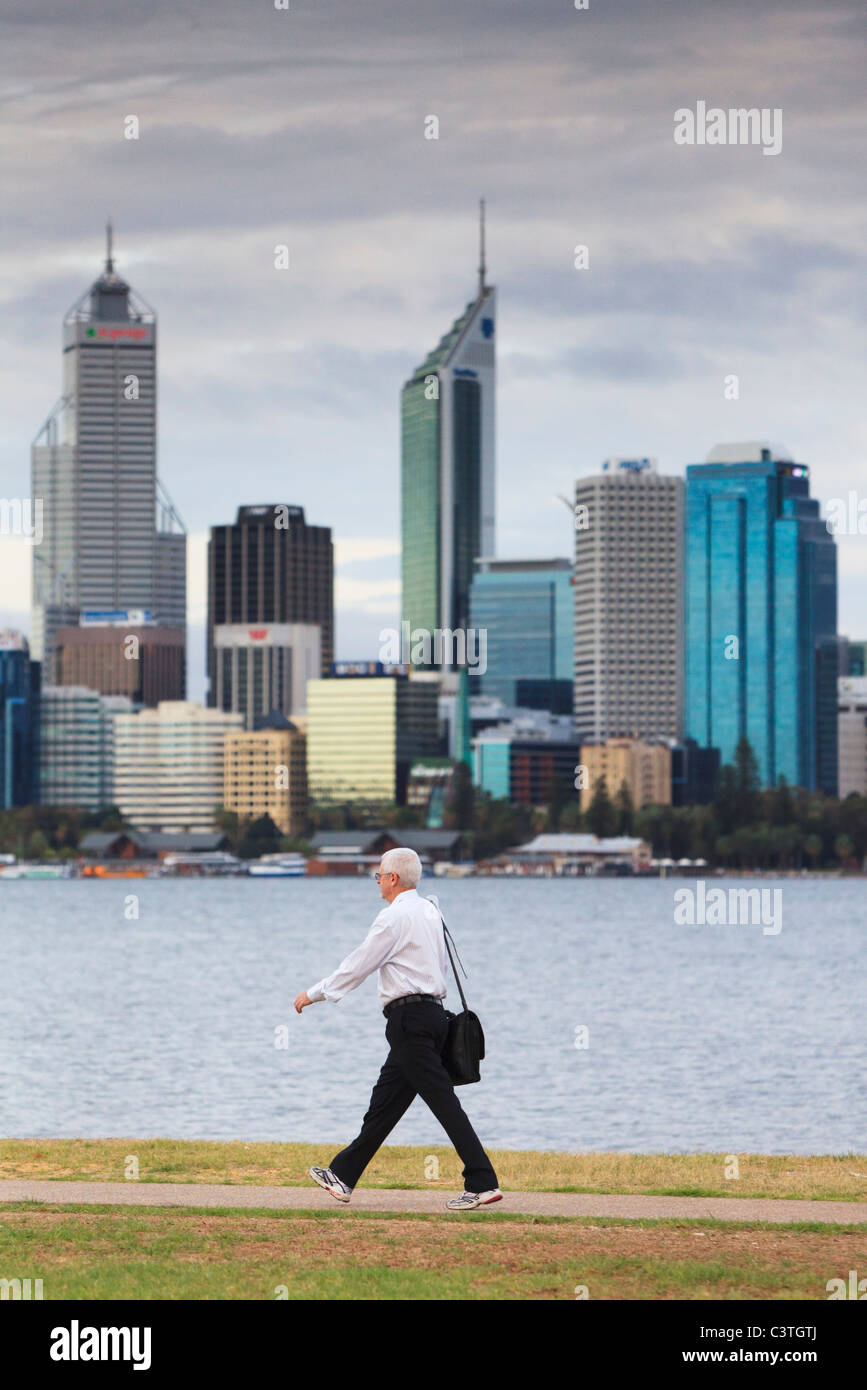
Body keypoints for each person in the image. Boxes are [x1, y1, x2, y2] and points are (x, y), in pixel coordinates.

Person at [294, 846, 502, 1211]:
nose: (377, 882)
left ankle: (482, 1182)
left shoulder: (392, 918)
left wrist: (313, 994)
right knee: (385, 1104)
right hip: (434, 1017)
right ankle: (343, 1176)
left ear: (393, 878)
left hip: (409, 1021)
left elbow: (358, 965)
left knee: (442, 1101)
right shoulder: (430, 912)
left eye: (379, 875)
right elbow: (436, 967)